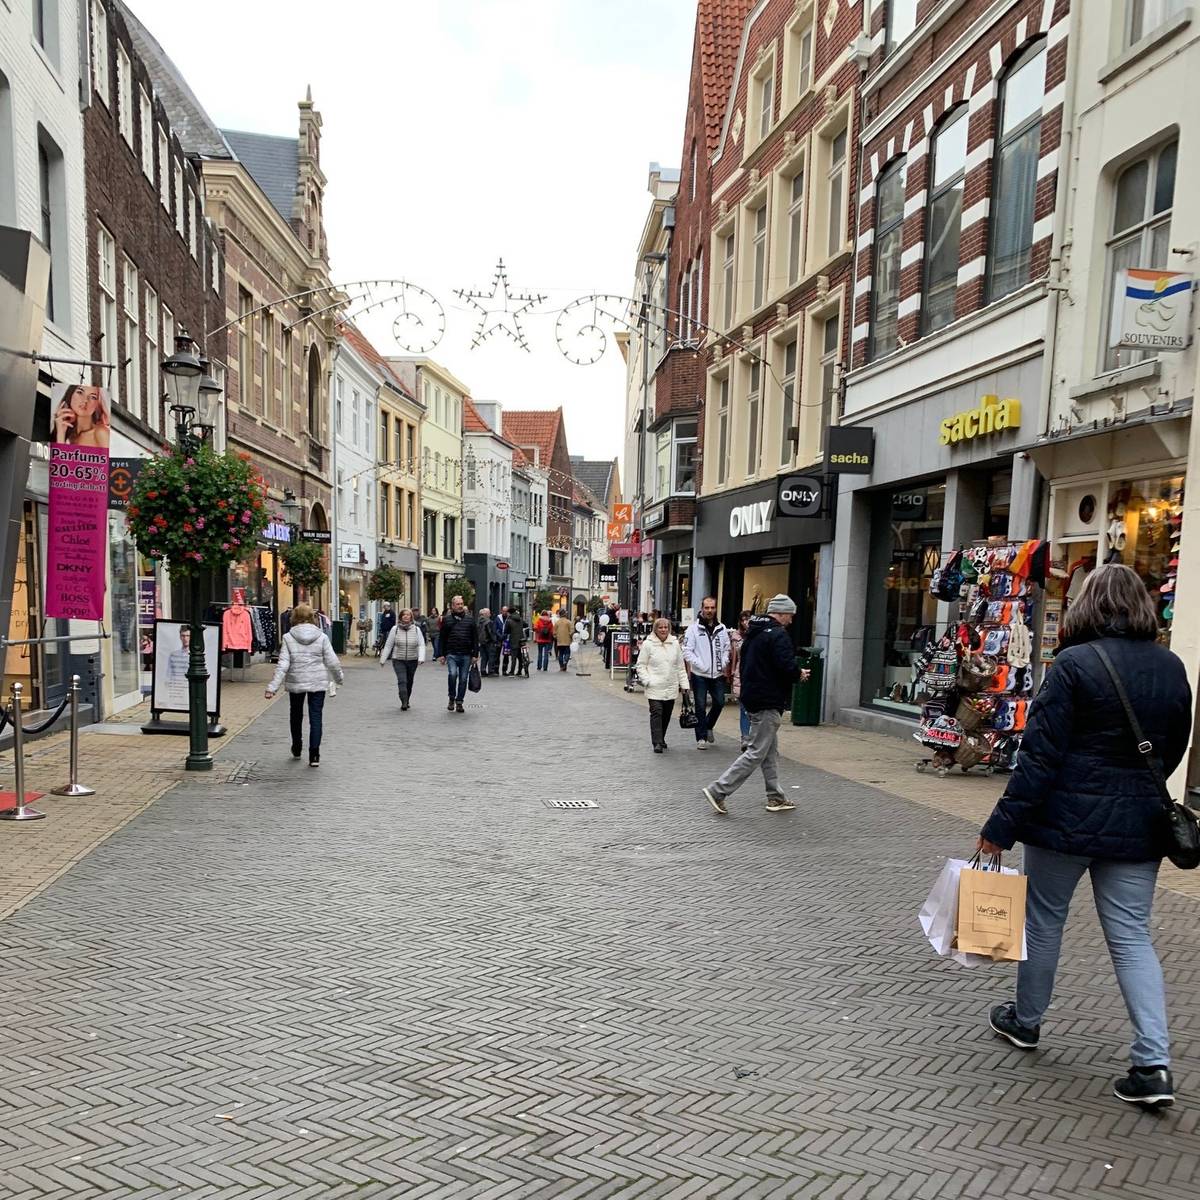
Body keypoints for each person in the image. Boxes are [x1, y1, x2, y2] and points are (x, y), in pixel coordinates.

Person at [978, 564, 1192, 1109]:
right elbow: (1172, 748)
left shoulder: (1072, 666)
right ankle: (1153, 1064)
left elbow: (1039, 761)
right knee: (1132, 937)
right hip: (1138, 827)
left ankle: (1025, 1022)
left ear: (1086, 605)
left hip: (1062, 824)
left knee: (1044, 922)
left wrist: (999, 829)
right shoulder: (1171, 667)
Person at [702, 595, 807, 815]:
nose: (791, 619)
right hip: (768, 699)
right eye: (790, 614)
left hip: (752, 697)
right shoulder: (778, 635)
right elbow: (785, 666)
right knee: (756, 751)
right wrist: (799, 674)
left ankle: (775, 797)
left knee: (768, 751)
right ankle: (718, 790)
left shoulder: (753, 633)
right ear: (781, 613)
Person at [265, 601, 344, 767]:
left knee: (296, 715)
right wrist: (338, 679)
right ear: (312, 617)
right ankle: (314, 754)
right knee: (316, 716)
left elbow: (283, 664)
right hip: (317, 681)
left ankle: (297, 746)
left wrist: (273, 687)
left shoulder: (288, 637)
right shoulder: (321, 637)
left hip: (297, 681)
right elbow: (332, 661)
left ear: (294, 617)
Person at [682, 596, 731, 749]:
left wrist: (723, 663)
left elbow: (727, 649)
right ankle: (701, 737)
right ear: (702, 608)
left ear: (716, 609)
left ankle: (709, 725)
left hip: (717, 674)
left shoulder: (722, 628)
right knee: (700, 705)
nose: (709, 611)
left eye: (712, 608)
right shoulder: (693, 629)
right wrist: (699, 664)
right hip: (700, 675)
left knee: (720, 703)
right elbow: (687, 651)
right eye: (707, 608)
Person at [635, 617, 690, 753]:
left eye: (666, 627)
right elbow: (641, 665)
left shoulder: (675, 644)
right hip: (654, 686)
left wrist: (684, 685)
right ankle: (657, 742)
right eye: (660, 627)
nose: (663, 630)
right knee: (656, 713)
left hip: (670, 685)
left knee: (666, 714)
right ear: (655, 629)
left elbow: (680, 666)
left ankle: (661, 738)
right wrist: (647, 680)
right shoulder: (648, 644)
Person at [438, 594, 478, 713]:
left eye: (461, 604)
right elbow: (442, 638)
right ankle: (451, 697)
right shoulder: (447, 620)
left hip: (466, 654)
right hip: (452, 653)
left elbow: (475, 638)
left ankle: (459, 701)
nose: (460, 606)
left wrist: (475, 654)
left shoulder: (470, 620)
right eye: (458, 604)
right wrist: (441, 654)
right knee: (453, 674)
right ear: (452, 606)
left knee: (463, 679)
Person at [380, 607, 425, 710]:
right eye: (403, 614)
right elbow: (388, 645)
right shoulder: (394, 629)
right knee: (402, 680)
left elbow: (421, 644)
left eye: (408, 615)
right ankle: (404, 701)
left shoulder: (416, 629)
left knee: (409, 681)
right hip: (398, 659)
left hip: (412, 659)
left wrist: (421, 658)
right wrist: (383, 659)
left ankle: (407, 698)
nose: (406, 616)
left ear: (411, 617)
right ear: (400, 617)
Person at [728, 610, 753, 751]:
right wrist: (731, 672)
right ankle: (745, 737)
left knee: (754, 710)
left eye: (748, 619)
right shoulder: (736, 636)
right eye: (743, 620)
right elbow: (733, 656)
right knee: (744, 708)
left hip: (755, 675)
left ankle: (754, 737)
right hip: (740, 673)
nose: (745, 622)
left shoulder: (757, 634)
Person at [504, 606, 526, 678]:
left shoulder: (509, 620)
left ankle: (512, 672)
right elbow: (526, 625)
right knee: (520, 657)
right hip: (521, 640)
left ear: (509, 613)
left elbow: (506, 631)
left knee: (513, 657)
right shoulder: (520, 618)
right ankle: (519, 671)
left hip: (513, 640)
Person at [477, 607, 500, 676]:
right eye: (489, 613)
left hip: (481, 642)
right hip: (489, 642)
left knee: (484, 657)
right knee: (491, 656)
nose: (490, 614)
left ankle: (483, 670)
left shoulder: (478, 622)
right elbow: (491, 633)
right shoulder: (488, 622)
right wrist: (495, 641)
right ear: (486, 614)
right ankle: (491, 671)